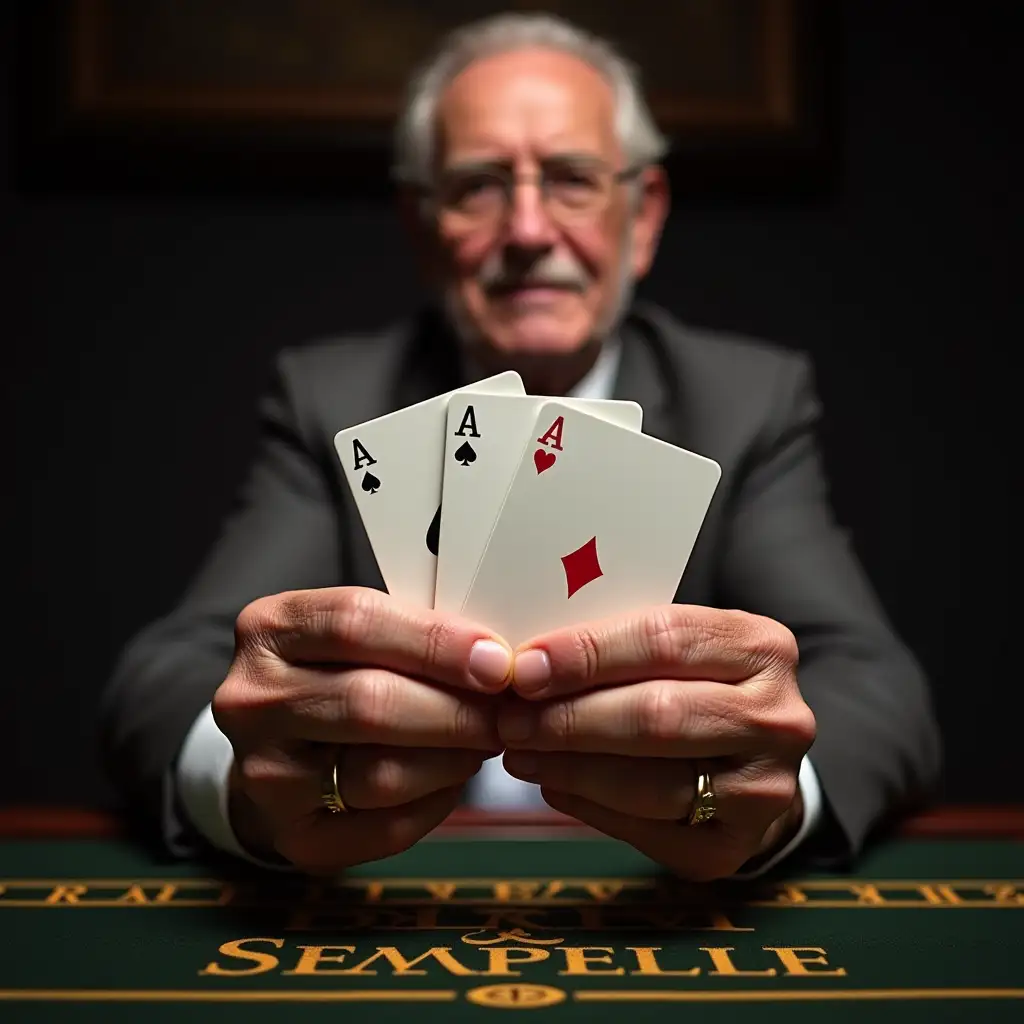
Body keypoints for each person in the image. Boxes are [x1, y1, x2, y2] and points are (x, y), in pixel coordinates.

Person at [99, 12, 941, 879]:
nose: (530, 231)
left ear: (643, 216)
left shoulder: (744, 403)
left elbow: (876, 684)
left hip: (651, 890)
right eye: (479, 185)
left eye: (572, 179)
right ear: (423, 224)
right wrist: (249, 789)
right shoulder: (332, 402)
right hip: (386, 881)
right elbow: (165, 677)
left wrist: (766, 800)